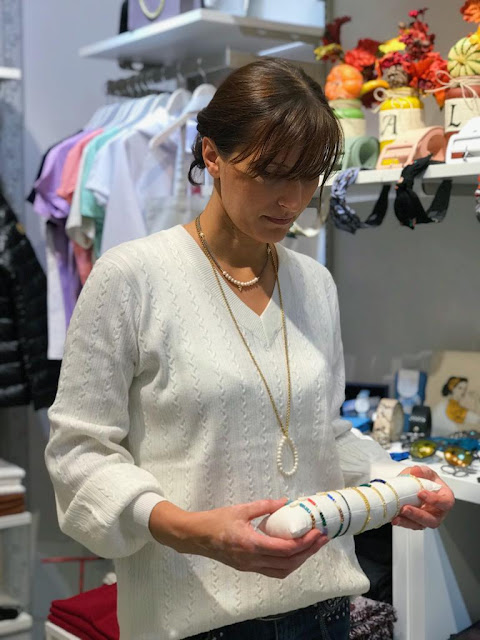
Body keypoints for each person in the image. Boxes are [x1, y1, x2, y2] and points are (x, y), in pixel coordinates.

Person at [45, 59, 455, 640]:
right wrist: (192, 531)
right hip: (191, 621)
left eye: (309, 176)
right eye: (269, 173)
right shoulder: (132, 278)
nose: (292, 199)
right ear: (212, 155)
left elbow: (325, 433)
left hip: (323, 611)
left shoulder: (313, 284)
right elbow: (80, 453)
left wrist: (396, 484)